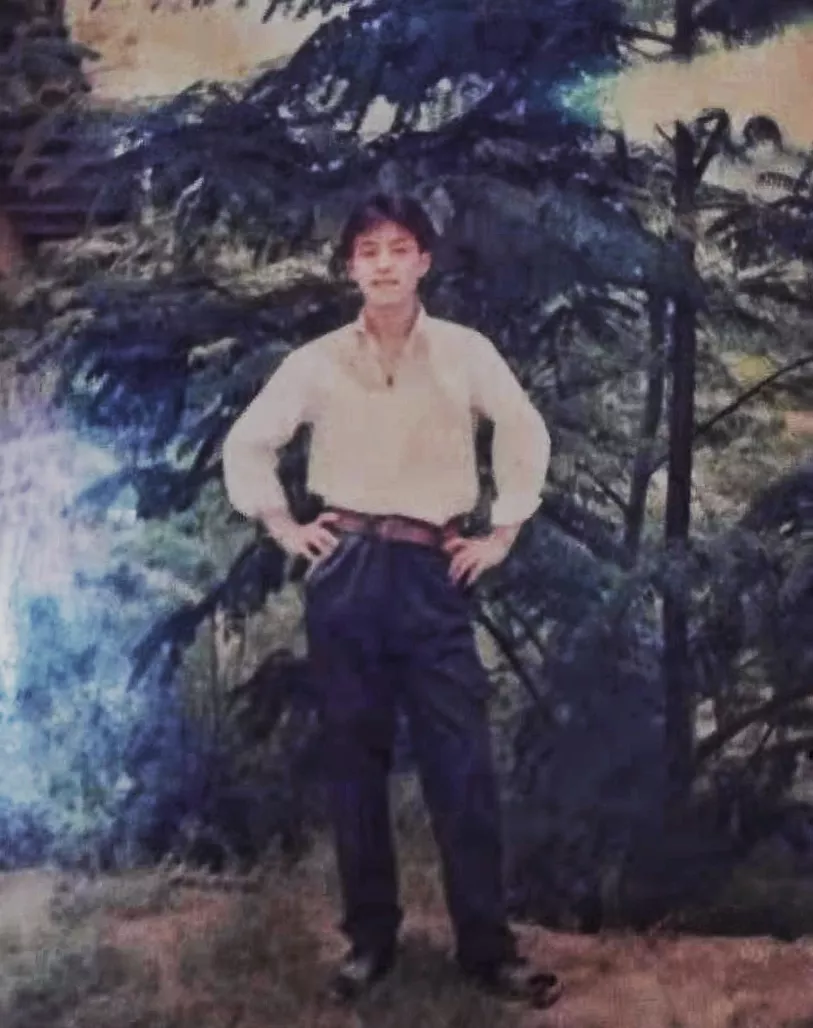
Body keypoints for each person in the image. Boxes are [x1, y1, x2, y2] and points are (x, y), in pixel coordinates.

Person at [221, 191, 560, 1008]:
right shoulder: (315, 363)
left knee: (460, 764)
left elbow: (523, 429)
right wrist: (282, 523)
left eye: (398, 248)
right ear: (351, 267)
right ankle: (369, 942)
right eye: (367, 250)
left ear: (422, 262)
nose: (382, 264)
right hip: (345, 572)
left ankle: (487, 949)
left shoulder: (465, 352)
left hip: (430, 572)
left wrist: (502, 532)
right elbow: (250, 441)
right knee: (354, 762)